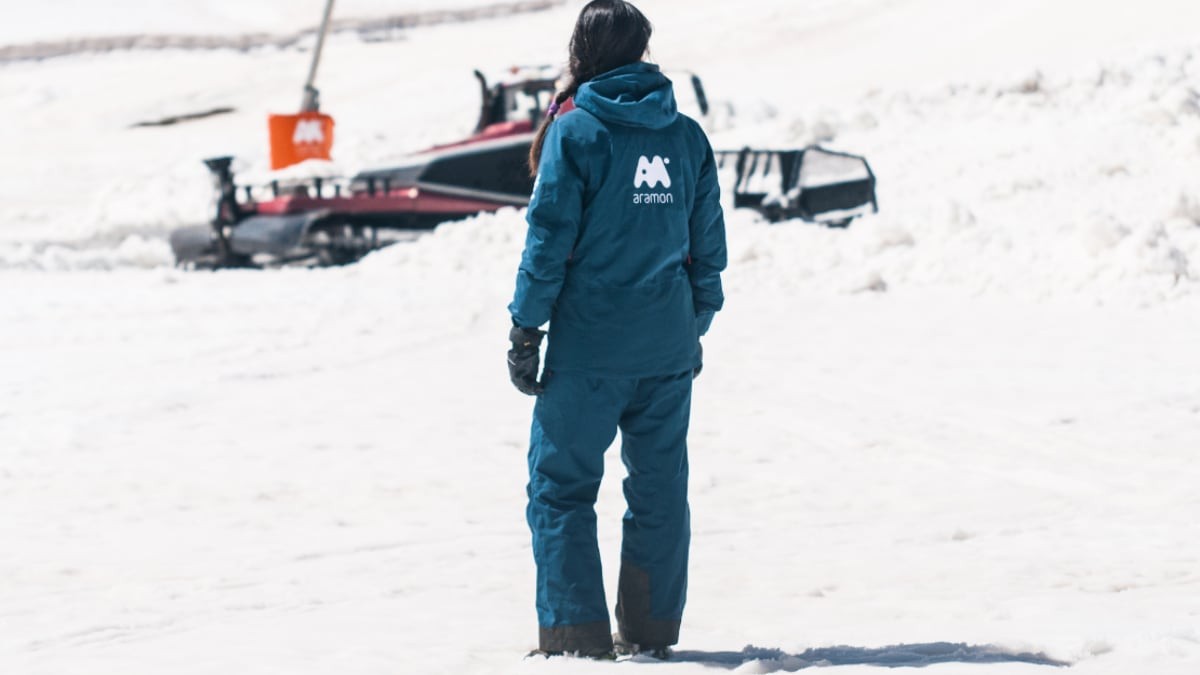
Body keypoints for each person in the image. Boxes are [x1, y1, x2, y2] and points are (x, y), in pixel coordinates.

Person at [506, 0, 727, 660]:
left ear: (585, 52)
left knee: (560, 487)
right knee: (659, 491)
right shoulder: (685, 137)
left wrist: (525, 328)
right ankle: (651, 633)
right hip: (664, 350)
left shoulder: (575, 135)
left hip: (588, 352)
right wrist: (690, 327)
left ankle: (575, 638)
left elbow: (548, 243)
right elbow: (708, 253)